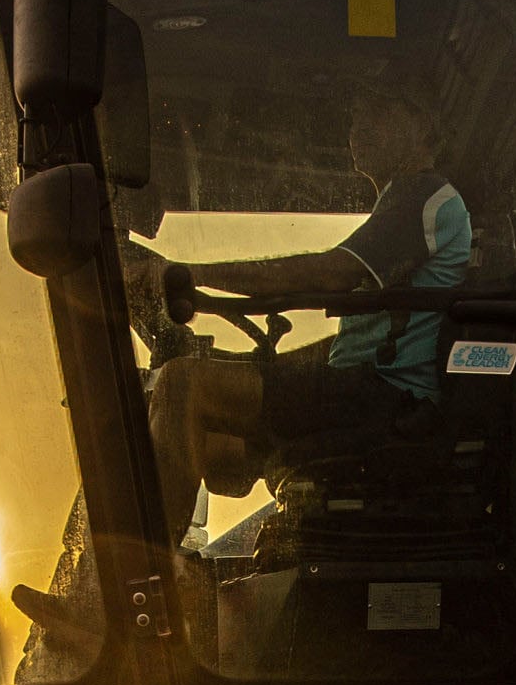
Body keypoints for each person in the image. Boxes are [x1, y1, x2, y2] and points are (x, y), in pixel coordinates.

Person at [146, 89, 473, 511]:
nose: (358, 127)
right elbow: (350, 351)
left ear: (422, 125)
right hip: (363, 391)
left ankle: (153, 570)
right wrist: (247, 357)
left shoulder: (426, 197)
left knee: (181, 385)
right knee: (204, 440)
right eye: (355, 113)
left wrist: (192, 274)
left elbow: (329, 273)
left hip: (386, 400)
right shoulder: (405, 200)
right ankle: (167, 563)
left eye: (375, 109)